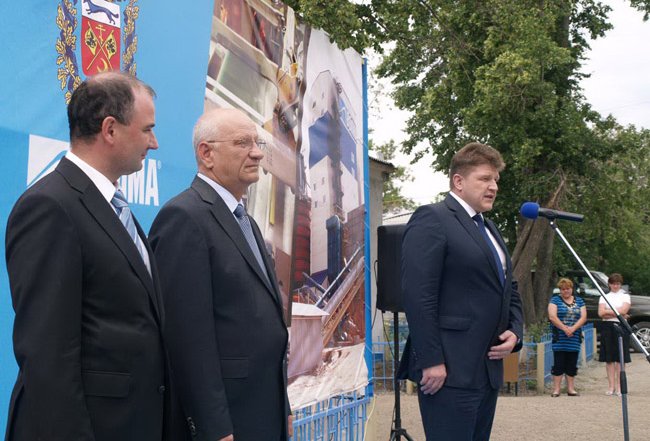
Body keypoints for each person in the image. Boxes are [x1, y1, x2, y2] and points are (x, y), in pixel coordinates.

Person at [4, 72, 168, 440]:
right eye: (147, 130)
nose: (155, 143)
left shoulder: (112, 207)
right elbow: (48, 357)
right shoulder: (50, 207)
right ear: (110, 130)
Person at [149, 108, 291, 441]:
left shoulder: (246, 221)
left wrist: (281, 406)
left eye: (256, 143)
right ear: (207, 154)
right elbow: (186, 339)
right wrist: (212, 426)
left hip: (262, 411)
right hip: (227, 421)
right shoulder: (184, 217)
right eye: (242, 143)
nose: (256, 153)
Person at [398, 142, 523, 441]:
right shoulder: (433, 218)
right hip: (448, 372)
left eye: (496, 180)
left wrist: (516, 331)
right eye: (485, 178)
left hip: (487, 370)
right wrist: (431, 360)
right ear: (458, 181)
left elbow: (509, 287)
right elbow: (418, 295)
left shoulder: (489, 228)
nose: (493, 186)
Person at [548, 278, 587, 397]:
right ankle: (557, 389)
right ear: (560, 290)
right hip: (559, 337)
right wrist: (565, 329)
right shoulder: (555, 300)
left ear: (572, 289)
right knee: (558, 363)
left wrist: (573, 329)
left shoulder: (579, 301)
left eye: (568, 288)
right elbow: (552, 317)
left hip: (574, 337)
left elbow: (583, 317)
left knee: (572, 362)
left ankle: (570, 388)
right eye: (563, 289)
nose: (566, 291)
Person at [598, 272, 631, 396]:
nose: (615, 286)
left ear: (620, 284)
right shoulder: (604, 297)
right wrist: (618, 313)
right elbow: (601, 313)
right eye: (613, 284)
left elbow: (624, 310)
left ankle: (619, 387)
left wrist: (608, 311)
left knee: (620, 358)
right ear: (609, 284)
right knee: (609, 359)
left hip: (621, 326)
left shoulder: (625, 296)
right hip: (607, 327)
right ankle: (611, 386)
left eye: (617, 284)